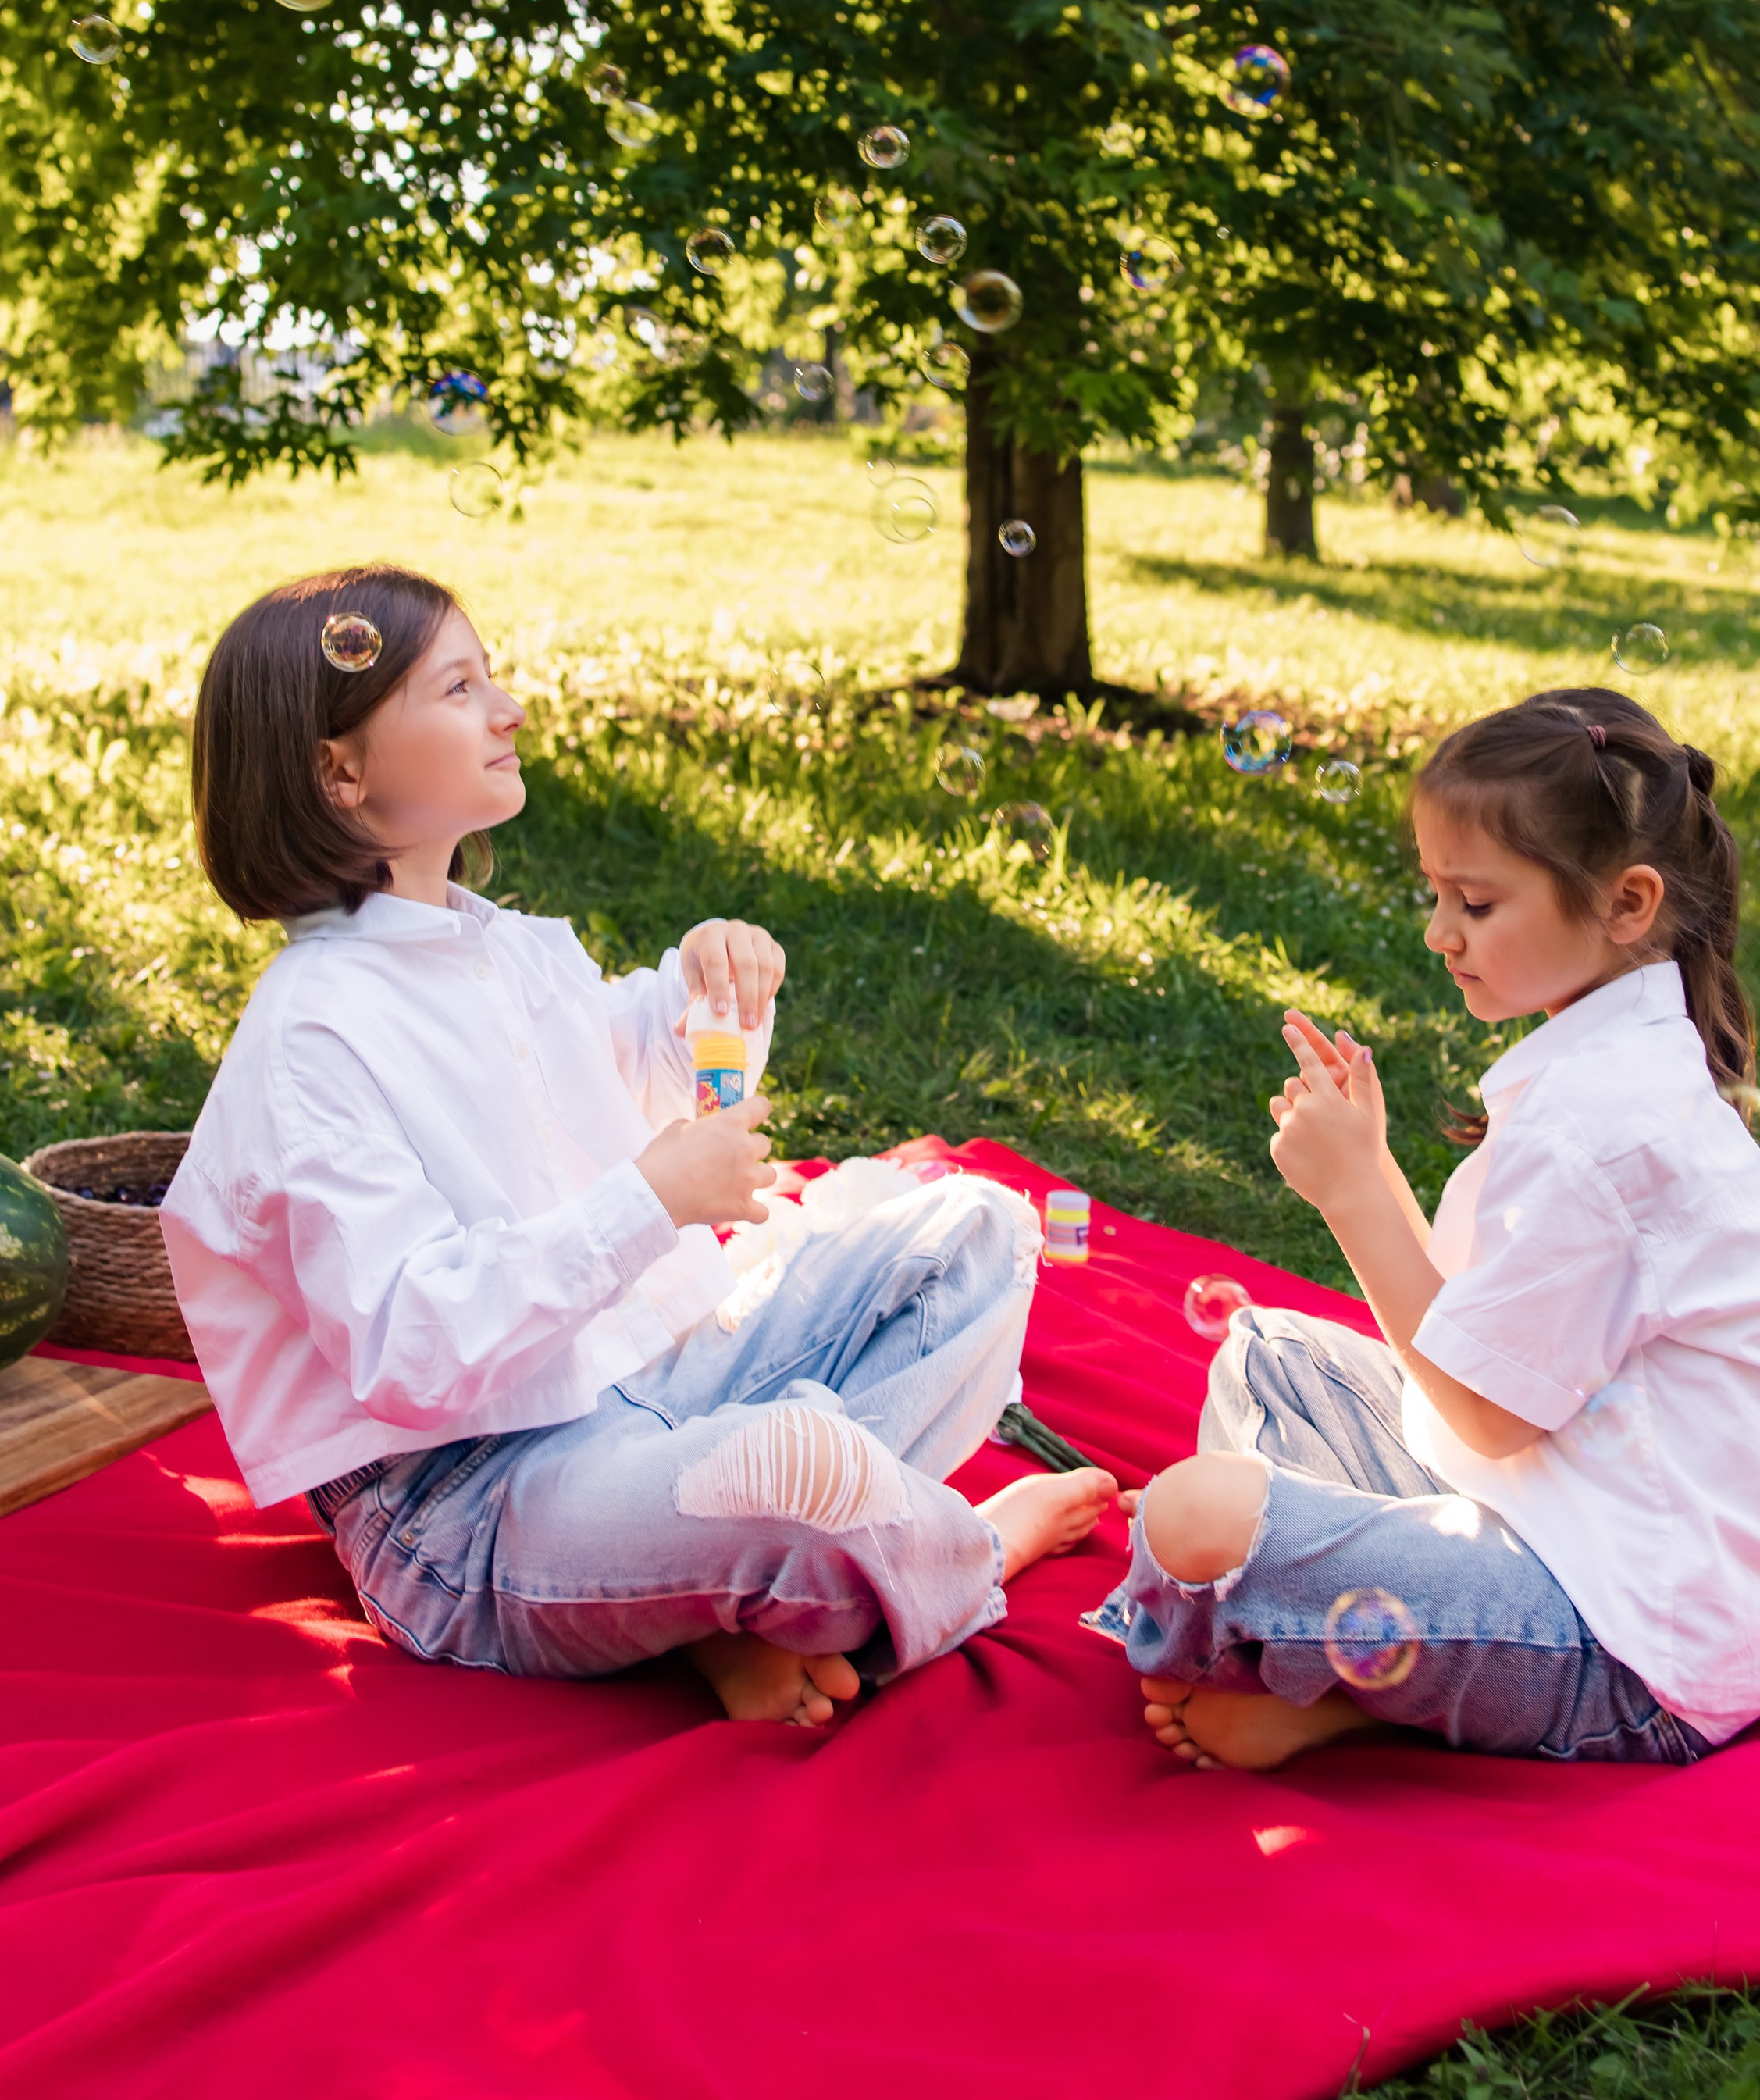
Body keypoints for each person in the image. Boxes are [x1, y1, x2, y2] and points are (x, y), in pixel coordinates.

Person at [162, 564, 1116, 1729]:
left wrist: (711, 989)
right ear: (340, 769)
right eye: (459, 688)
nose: (508, 710)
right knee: (790, 1475)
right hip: (476, 1498)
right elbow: (409, 1349)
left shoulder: (501, 946)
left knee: (967, 1232)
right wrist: (645, 1205)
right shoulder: (308, 1040)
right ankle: (958, 1549)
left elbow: (632, 1071)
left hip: (650, 1383)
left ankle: (727, 1592)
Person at [1088, 686, 1760, 1771]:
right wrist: (1375, 1165)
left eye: (1476, 904)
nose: (1440, 932)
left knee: (1198, 1510)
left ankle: (1292, 1662)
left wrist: (1354, 1194)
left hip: (1625, 1649)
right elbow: (1461, 1329)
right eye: (1434, 892)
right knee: (1271, 1355)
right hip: (1557, 1517)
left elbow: (1487, 1414)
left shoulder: (1609, 1132)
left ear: (1628, 903)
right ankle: (1320, 1664)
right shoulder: (1601, 1071)